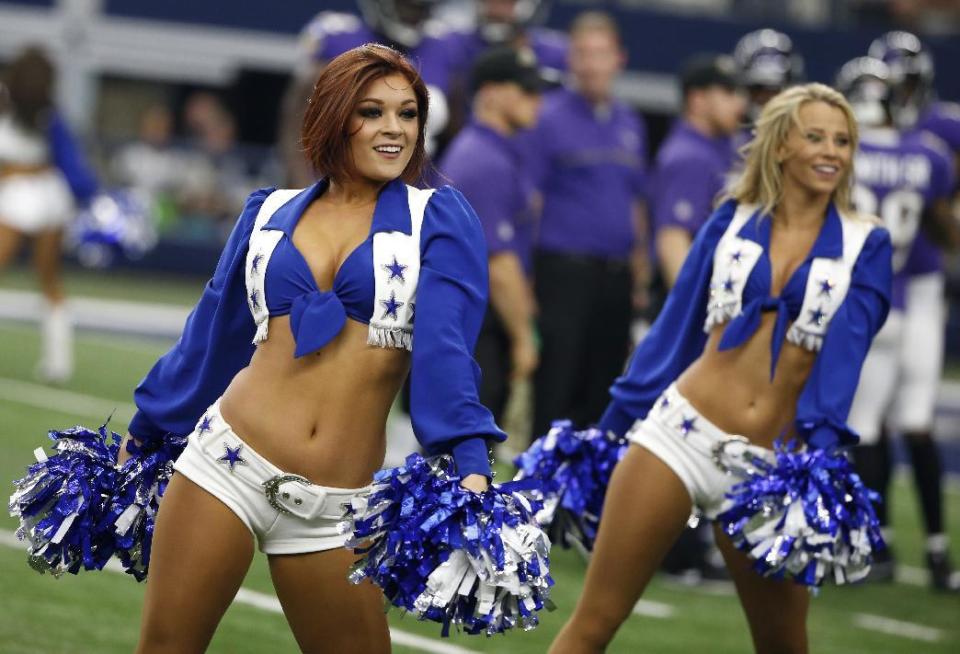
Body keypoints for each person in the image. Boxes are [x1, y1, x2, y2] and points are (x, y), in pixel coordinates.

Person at [124, 44, 504, 653]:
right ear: (334, 117)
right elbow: (211, 337)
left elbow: (448, 349)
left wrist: (470, 462)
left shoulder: (437, 217)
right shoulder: (268, 211)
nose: (394, 130)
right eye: (373, 112)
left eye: (408, 114)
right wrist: (145, 429)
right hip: (225, 467)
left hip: (335, 510)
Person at [549, 83, 892, 653]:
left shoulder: (867, 243)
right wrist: (608, 431)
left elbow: (844, 358)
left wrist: (818, 461)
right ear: (781, 146)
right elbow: (673, 331)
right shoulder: (732, 218)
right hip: (679, 434)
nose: (831, 150)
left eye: (843, 140)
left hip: (771, 468)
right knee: (593, 621)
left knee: (783, 645)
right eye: (815, 137)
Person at [856, 31, 960, 591]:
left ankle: (922, 548)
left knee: (898, 422)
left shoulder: (928, 137)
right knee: (885, 421)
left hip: (907, 289)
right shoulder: (930, 150)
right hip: (906, 288)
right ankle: (903, 545)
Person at [524, 11, 649, 438]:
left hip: (615, 280)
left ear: (620, 59)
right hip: (563, 274)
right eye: (583, 54)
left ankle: (585, 501)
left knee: (604, 393)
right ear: (570, 61)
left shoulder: (631, 122)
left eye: (601, 54)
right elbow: (532, 201)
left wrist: (639, 276)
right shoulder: (547, 116)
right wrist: (527, 280)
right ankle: (537, 495)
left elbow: (635, 203)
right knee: (557, 389)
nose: (592, 64)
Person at [439, 45, 543, 425]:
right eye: (525, 89)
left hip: (473, 318)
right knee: (465, 450)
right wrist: (523, 337)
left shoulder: (493, 151)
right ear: (490, 93)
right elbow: (497, 262)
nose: (537, 100)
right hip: (475, 323)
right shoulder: (484, 159)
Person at [0, 46, 97, 383]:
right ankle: (58, 362)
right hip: (47, 199)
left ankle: (58, 363)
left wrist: (17, 172)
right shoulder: (42, 112)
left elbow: (63, 161)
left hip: (25, 199)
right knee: (48, 280)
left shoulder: (42, 115)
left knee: (47, 279)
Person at [279, 0, 452, 186]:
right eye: (406, 6)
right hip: (339, 190)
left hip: (412, 193)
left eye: (420, 8)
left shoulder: (446, 47)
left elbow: (454, 136)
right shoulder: (338, 39)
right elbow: (296, 122)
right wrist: (304, 193)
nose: (413, 15)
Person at [653, 53, 746, 287]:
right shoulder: (688, 156)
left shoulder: (719, 149)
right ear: (698, 99)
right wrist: (691, 309)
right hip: (696, 294)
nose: (739, 104)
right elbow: (673, 240)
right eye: (727, 93)